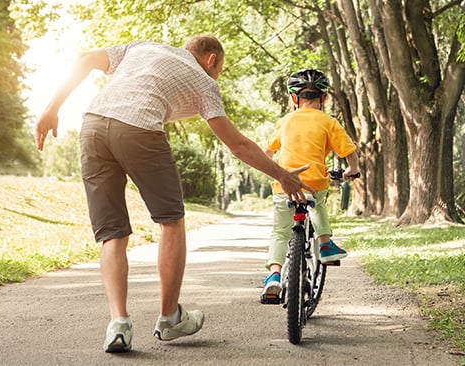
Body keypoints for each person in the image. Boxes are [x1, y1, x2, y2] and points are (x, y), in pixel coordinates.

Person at [34, 35, 313, 353]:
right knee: (171, 221)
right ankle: (169, 318)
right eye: (219, 69)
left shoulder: (142, 47)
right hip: (139, 129)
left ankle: (119, 323)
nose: (217, 76)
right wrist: (282, 176)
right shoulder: (204, 81)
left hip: (93, 126)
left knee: (112, 233)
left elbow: (84, 58)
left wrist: (51, 108)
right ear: (211, 60)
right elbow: (237, 144)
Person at [261, 68, 360, 301]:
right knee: (318, 205)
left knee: (280, 231)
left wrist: (273, 172)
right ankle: (325, 244)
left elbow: (267, 152)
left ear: (294, 98)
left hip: (284, 183)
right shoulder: (329, 121)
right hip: (314, 181)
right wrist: (352, 170)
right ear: (323, 98)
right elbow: (349, 152)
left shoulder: (285, 121)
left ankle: (274, 276)